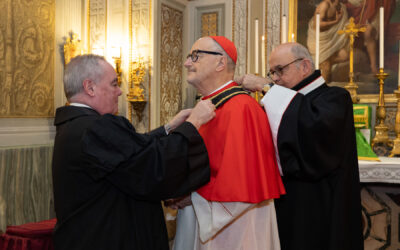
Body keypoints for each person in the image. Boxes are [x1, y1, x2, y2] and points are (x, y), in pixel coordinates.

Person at [52, 54, 216, 250]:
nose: (120, 91)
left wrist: (169, 127)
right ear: (90, 87)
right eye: (114, 84)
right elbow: (151, 167)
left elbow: (130, 154)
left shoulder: (76, 125)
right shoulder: (95, 128)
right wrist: (193, 124)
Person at [236, 42, 363, 250]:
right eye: (271, 73)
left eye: (280, 70)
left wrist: (267, 87)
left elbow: (312, 132)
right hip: (286, 203)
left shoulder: (335, 98)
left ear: (304, 66)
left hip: (320, 205)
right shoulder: (281, 100)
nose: (275, 78)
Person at [171, 36, 285, 250]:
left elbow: (239, 186)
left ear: (221, 62)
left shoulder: (241, 107)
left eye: (195, 56)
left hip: (235, 229)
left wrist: (191, 197)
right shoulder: (208, 105)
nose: (187, 63)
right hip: (205, 219)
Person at [307, 0, 349, 82]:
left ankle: (327, 60)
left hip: (332, 40)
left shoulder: (341, 6)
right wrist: (335, 21)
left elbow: (344, 24)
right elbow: (318, 25)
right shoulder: (325, 5)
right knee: (325, 67)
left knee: (344, 55)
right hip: (320, 40)